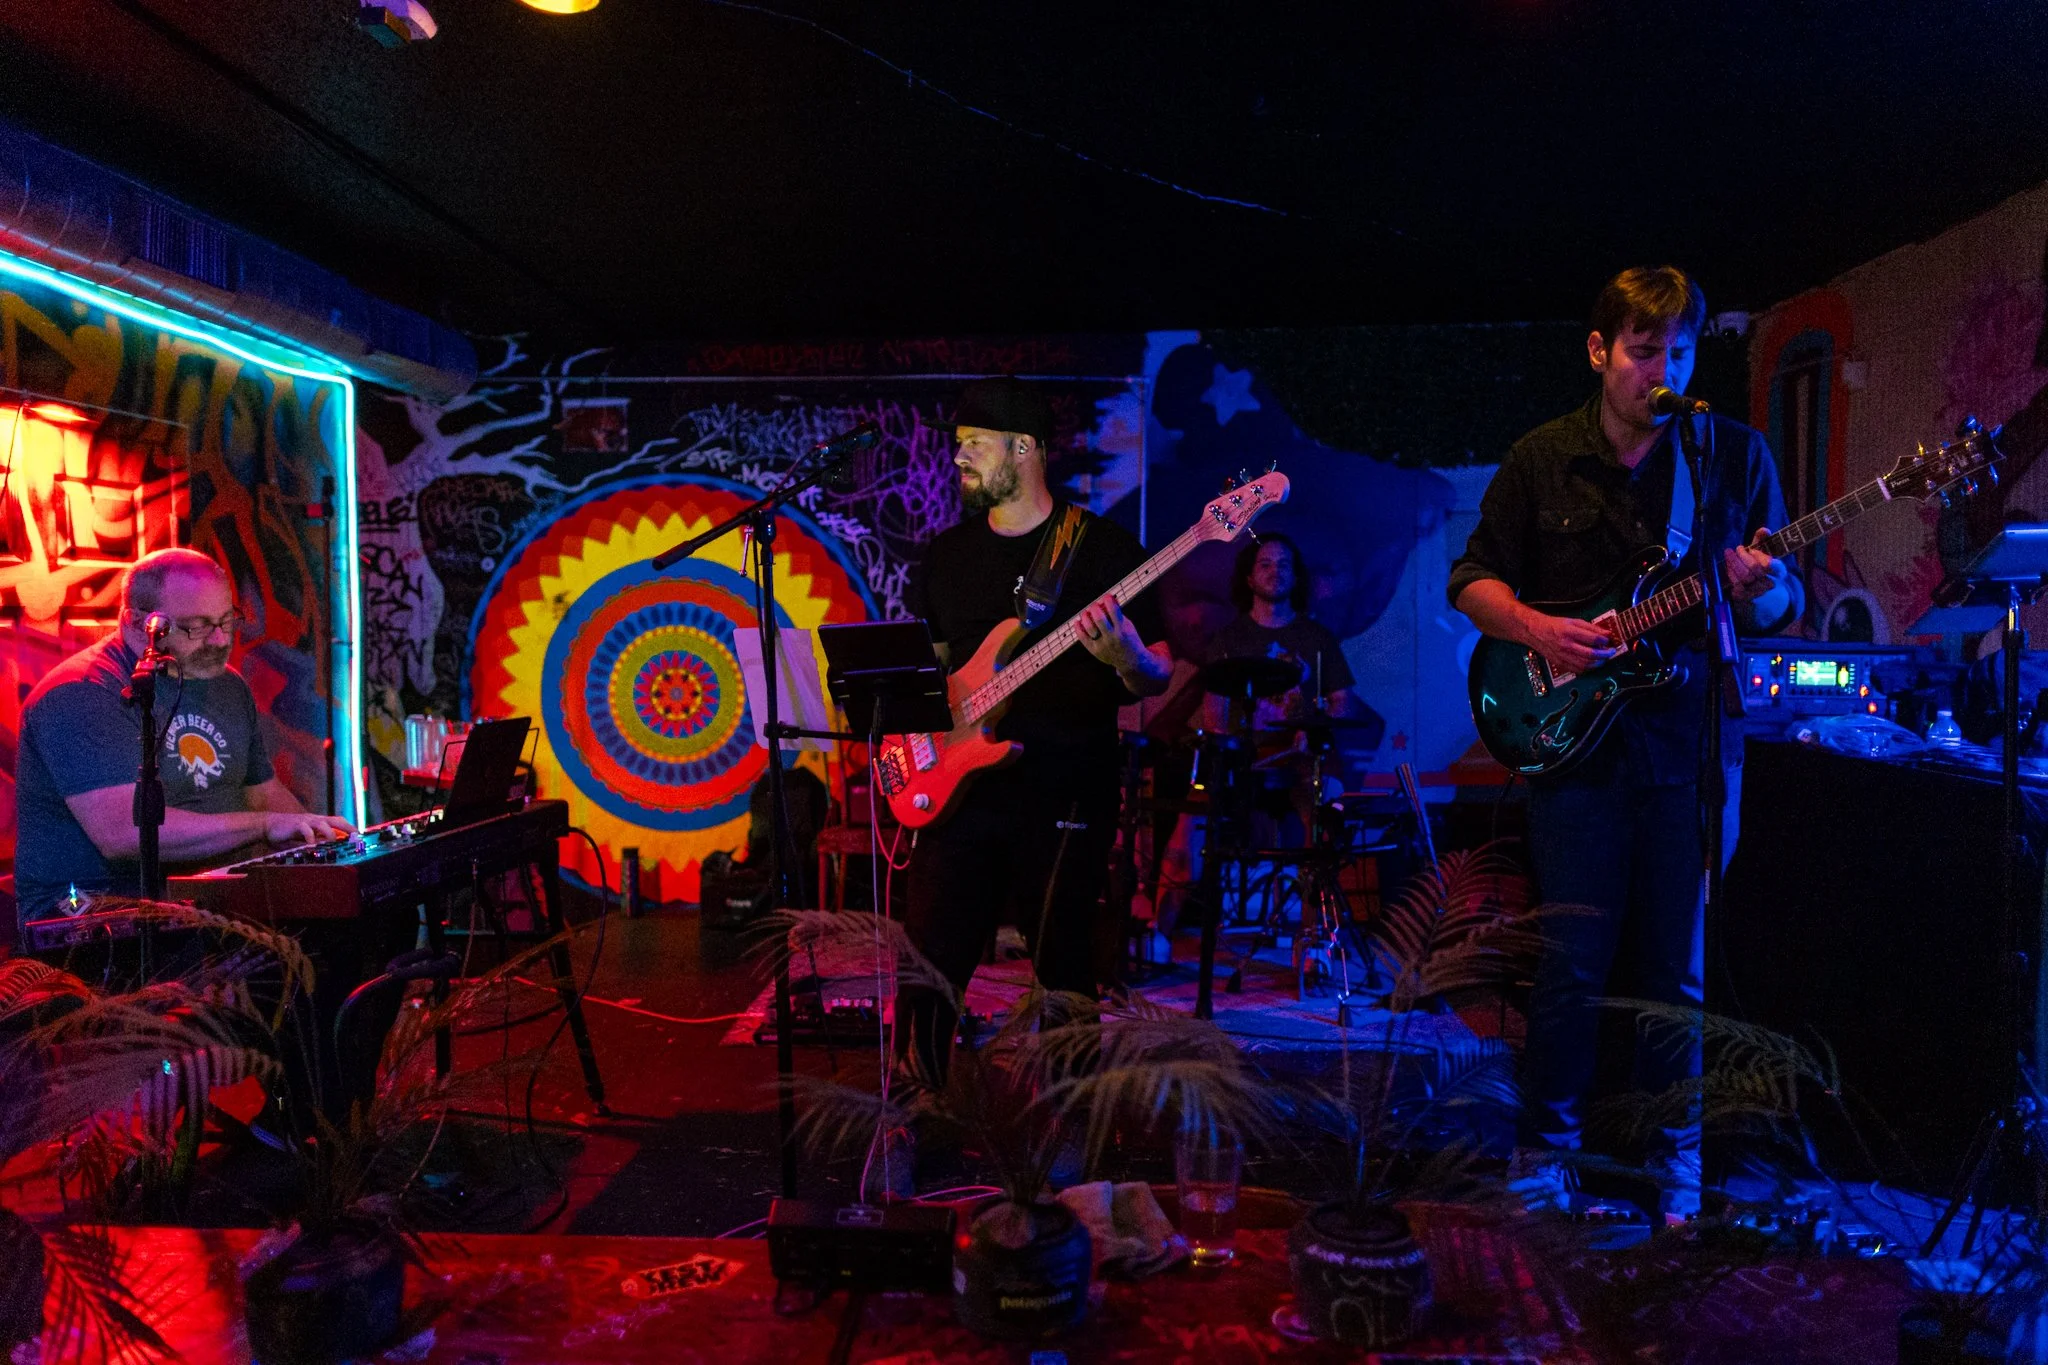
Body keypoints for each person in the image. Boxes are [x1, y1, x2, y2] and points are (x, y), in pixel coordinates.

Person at [1448, 266, 1802, 1215]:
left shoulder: (1732, 456)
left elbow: (1781, 606)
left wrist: (1763, 584)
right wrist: (1538, 629)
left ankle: (1671, 1169)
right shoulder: (1543, 456)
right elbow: (1471, 580)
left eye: (1679, 353)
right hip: (1576, 753)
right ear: (1600, 351)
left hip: (1690, 749)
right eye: (1645, 352)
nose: (1664, 371)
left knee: (1676, 971)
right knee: (1572, 961)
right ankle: (1544, 1156)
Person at [887, 376, 1171, 1194]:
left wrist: (1127, 659)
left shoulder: (1105, 550)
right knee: (930, 957)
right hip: (961, 792)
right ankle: (916, 1109)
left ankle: (1070, 1122)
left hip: (1066, 786)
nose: (959, 459)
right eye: (957, 446)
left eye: (974, 444)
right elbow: (937, 672)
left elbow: (1157, 670)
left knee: (1064, 962)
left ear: (1025, 449)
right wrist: (918, 744)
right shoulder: (947, 555)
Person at [14, 548, 352, 927]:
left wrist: (327, 840)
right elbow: (123, 833)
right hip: (98, 911)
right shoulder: (82, 694)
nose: (220, 640)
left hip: (206, 892)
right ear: (139, 623)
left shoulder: (227, 685)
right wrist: (262, 825)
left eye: (226, 620)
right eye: (197, 626)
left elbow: (263, 793)